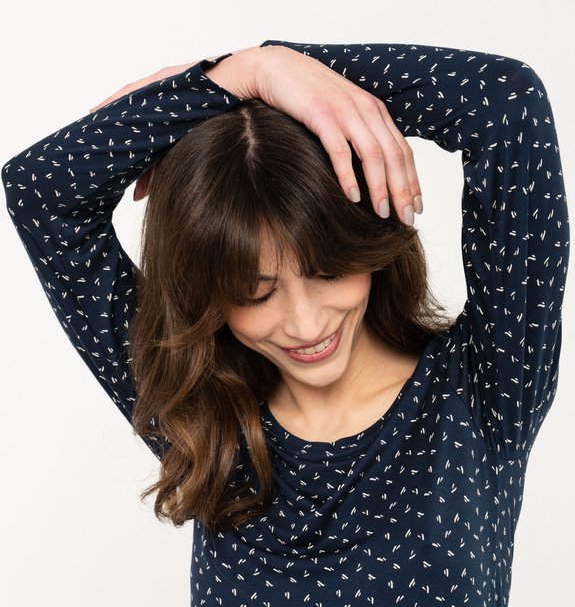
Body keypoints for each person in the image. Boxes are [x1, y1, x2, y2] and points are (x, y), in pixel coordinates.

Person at [2, 41, 569, 606]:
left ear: (367, 243)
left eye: (328, 271)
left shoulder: (485, 388)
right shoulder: (201, 415)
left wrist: (273, 66)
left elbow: (504, 101)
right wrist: (244, 77)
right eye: (255, 293)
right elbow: (40, 191)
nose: (305, 323)